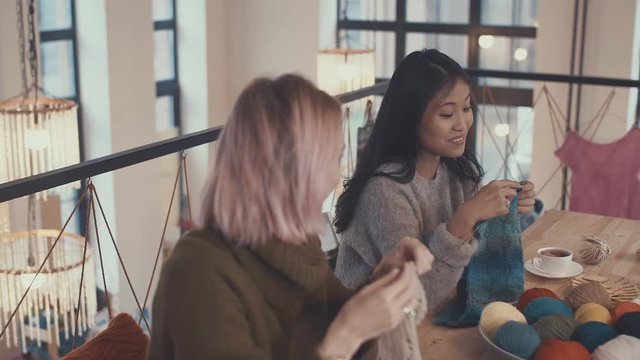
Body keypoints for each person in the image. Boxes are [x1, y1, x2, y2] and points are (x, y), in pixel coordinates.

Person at [147, 74, 434, 360]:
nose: (337, 176)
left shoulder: (296, 244)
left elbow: (336, 321)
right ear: (291, 171)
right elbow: (340, 336)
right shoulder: (198, 271)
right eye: (333, 159)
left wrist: (383, 281)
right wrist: (346, 336)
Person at [334, 49, 536, 312]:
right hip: (372, 335)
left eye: (466, 108)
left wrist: (503, 207)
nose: (462, 124)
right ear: (410, 119)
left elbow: (476, 256)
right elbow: (416, 299)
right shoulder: (383, 192)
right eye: (446, 114)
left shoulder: (456, 173)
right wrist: (464, 219)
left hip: (434, 318)